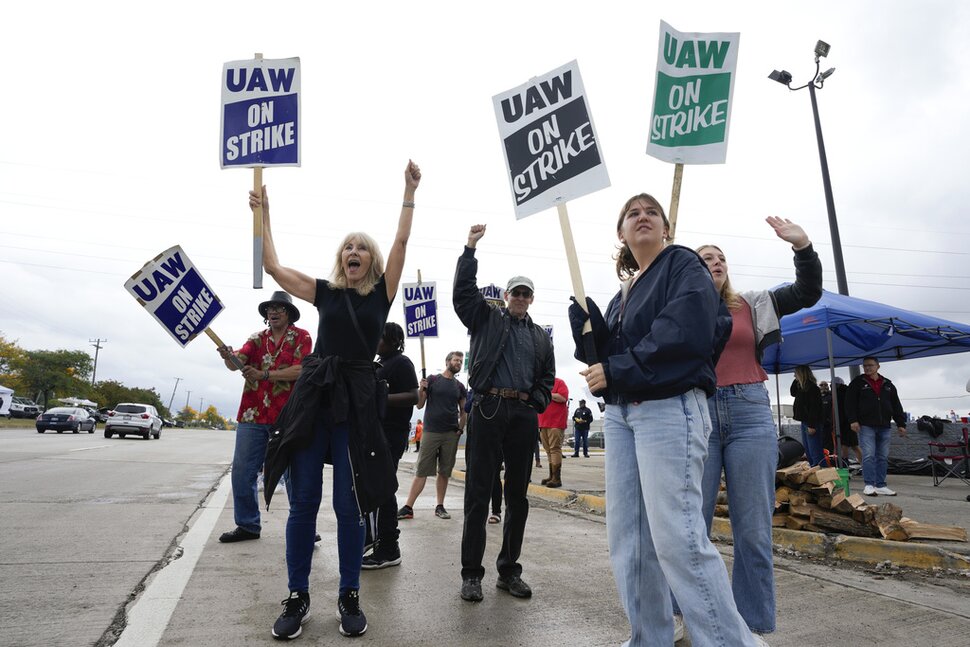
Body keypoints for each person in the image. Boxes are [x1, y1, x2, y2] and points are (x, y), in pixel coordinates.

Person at [568, 193, 759, 646]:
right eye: (632, 213)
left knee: (679, 538)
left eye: (651, 211)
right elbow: (612, 358)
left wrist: (615, 368)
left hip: (669, 409)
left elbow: (683, 333)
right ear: (621, 234)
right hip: (621, 416)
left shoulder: (682, 266)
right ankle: (648, 639)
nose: (642, 217)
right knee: (630, 543)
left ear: (667, 228)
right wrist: (591, 331)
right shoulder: (624, 294)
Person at [251, 160, 420, 640]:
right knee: (304, 503)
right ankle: (298, 596)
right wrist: (265, 214)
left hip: (356, 405)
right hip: (317, 398)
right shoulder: (324, 292)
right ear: (340, 256)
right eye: (349, 245)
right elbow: (273, 267)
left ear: (372, 260)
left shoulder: (382, 295)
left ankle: (349, 595)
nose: (355, 251)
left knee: (349, 508)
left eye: (363, 248)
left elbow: (403, 243)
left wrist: (408, 193)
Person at [684, 219, 821, 641]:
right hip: (698, 411)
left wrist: (803, 246)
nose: (716, 262)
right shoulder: (681, 308)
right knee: (691, 524)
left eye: (721, 257)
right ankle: (685, 615)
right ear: (692, 269)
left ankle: (751, 624)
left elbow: (806, 292)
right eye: (707, 258)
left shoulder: (752, 302)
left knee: (754, 529)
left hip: (749, 412)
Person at [454, 224, 555, 603]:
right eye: (516, 291)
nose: (521, 297)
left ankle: (509, 570)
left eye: (527, 293)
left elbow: (548, 374)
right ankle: (471, 574)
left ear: (531, 299)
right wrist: (469, 250)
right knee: (479, 494)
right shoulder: (486, 318)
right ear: (506, 295)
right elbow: (463, 296)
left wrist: (537, 402)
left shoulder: (541, 337)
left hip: (523, 415)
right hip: (488, 407)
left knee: (518, 496)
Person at [216, 291, 312, 544]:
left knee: (294, 473)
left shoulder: (302, 337)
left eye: (280, 307)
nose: (274, 311)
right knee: (242, 471)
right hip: (252, 412)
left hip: (287, 415)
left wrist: (264, 375)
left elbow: (302, 369)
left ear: (289, 313)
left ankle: (303, 528)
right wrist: (228, 356)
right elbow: (237, 362)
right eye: (270, 308)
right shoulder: (257, 338)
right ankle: (247, 525)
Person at [362, 322, 419, 569]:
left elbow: (414, 396)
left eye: (381, 338)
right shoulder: (379, 362)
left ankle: (389, 547)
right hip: (375, 433)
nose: (377, 342)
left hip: (391, 434)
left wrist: (380, 398)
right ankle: (372, 538)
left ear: (395, 341)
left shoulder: (401, 363)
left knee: (384, 488)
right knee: (373, 487)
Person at [397, 351, 468, 520]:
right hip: (431, 432)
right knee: (422, 471)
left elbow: (464, 411)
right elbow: (420, 405)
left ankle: (440, 506)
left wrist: (459, 430)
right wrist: (422, 388)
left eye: (460, 361)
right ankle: (408, 507)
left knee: (444, 472)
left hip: (450, 433)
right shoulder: (433, 380)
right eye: (456, 360)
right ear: (447, 361)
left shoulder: (459, 386)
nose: (458, 363)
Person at [845, 357, 907, 496]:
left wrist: (900, 424)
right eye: (865, 366)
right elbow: (849, 403)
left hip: (884, 425)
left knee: (883, 456)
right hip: (866, 425)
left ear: (878, 366)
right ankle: (868, 484)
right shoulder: (857, 383)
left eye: (870, 365)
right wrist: (853, 420)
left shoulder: (888, 384)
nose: (867, 368)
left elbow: (896, 405)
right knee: (868, 455)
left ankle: (880, 484)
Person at [537, 377, 568, 488]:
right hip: (543, 422)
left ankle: (557, 478)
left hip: (556, 422)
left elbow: (563, 398)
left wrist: (548, 394)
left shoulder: (559, 382)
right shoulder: (541, 384)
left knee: (555, 449)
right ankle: (551, 476)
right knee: (548, 450)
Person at [791, 365, 824, 467]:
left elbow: (815, 407)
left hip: (811, 422)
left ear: (801, 374)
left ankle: (820, 470)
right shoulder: (801, 387)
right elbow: (792, 392)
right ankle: (814, 468)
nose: (794, 375)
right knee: (809, 450)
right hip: (805, 421)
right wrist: (796, 381)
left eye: (796, 373)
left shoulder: (812, 388)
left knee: (815, 450)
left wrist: (812, 425)